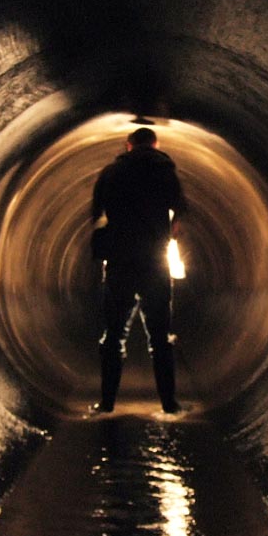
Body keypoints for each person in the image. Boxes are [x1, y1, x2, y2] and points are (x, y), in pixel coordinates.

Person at [89, 126, 186, 414]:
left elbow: (96, 214)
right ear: (155, 146)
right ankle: (169, 403)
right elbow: (179, 216)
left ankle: (107, 403)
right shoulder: (165, 172)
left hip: (120, 262)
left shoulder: (111, 173)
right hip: (154, 262)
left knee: (114, 334)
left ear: (128, 145)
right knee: (160, 337)